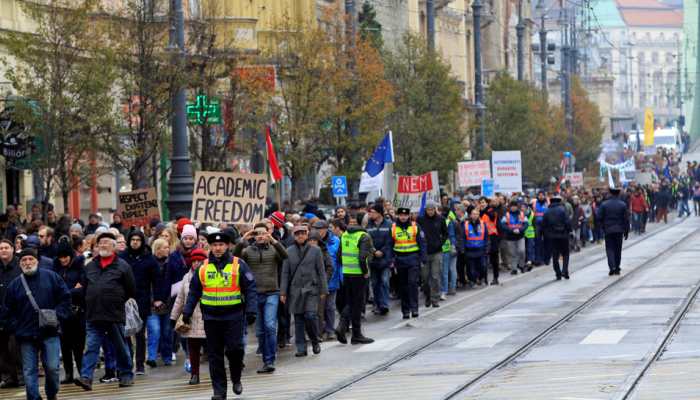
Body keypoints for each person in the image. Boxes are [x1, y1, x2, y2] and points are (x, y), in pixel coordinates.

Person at [183, 232, 257, 398]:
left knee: (235, 350)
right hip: (211, 318)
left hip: (233, 316)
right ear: (210, 246)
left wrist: (252, 310)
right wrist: (187, 312)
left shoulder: (239, 264)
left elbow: (250, 287)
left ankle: (236, 378)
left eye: (221, 245)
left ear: (228, 246)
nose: (218, 248)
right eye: (215, 245)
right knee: (215, 356)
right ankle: (219, 391)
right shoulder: (203, 267)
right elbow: (194, 291)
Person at [3, 248, 71, 400]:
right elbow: (7, 310)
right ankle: (34, 398)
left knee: (53, 369)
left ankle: (51, 394)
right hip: (25, 335)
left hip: (50, 331)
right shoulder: (15, 285)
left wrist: (58, 316)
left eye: (30, 259)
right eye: (24, 260)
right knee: (29, 371)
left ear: (37, 261)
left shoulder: (52, 277)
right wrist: (15, 327)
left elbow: (65, 298)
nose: (27, 263)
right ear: (20, 263)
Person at [74, 231, 136, 391]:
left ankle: (126, 374)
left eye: (107, 243)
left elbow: (131, 289)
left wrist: (115, 299)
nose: (103, 245)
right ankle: (86, 377)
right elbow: (84, 287)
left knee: (121, 347)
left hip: (114, 314)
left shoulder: (123, 266)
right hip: (93, 314)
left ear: (114, 246)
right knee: (91, 347)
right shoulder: (90, 266)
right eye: (100, 243)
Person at [234, 223, 288, 374]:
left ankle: (270, 360)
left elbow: (285, 255)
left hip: (272, 293)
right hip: (254, 294)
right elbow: (235, 258)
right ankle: (266, 359)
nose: (260, 236)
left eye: (263, 233)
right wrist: (243, 238)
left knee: (270, 326)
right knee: (260, 331)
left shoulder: (273, 250)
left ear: (268, 234)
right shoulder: (248, 251)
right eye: (257, 234)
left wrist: (274, 240)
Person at [281, 225, 328, 355]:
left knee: (310, 315)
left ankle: (314, 340)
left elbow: (321, 271)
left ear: (307, 234)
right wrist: (283, 292)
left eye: (302, 233)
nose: (300, 236)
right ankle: (301, 348)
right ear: (293, 236)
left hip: (311, 289)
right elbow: (285, 273)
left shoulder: (316, 250)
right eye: (297, 234)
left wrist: (324, 290)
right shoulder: (288, 251)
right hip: (295, 290)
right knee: (298, 319)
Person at [118, 229, 160, 375]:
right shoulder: (122, 257)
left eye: (138, 240)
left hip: (142, 299)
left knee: (140, 334)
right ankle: (127, 361)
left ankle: (140, 364)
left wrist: (157, 298)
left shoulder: (148, 258)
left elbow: (156, 279)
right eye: (133, 240)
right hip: (123, 300)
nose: (135, 242)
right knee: (125, 333)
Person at [170, 248, 208, 385]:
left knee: (213, 348)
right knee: (193, 347)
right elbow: (180, 298)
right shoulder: (186, 277)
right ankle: (194, 374)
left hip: (208, 315)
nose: (196, 263)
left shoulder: (210, 274)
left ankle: (217, 372)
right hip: (190, 316)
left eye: (200, 261)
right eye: (194, 261)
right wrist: (173, 317)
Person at [52, 239, 86, 384]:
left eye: (65, 256)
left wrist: (66, 292)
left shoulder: (79, 269)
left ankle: (82, 373)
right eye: (61, 257)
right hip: (62, 312)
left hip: (78, 312)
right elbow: (54, 290)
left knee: (78, 345)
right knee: (65, 345)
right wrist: (72, 291)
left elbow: (83, 290)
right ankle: (68, 374)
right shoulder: (56, 270)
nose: (63, 259)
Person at [335, 219, 374, 345]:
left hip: (347, 273)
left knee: (351, 302)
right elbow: (363, 258)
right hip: (359, 275)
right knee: (357, 304)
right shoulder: (364, 236)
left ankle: (344, 327)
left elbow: (339, 256)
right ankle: (355, 334)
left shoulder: (345, 234)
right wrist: (365, 272)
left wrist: (347, 266)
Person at [389, 207, 427, 319]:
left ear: (408, 215)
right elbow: (389, 245)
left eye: (405, 215)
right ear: (398, 216)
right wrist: (390, 260)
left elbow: (422, 243)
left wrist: (423, 258)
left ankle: (414, 308)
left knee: (412, 283)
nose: (403, 217)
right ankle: (405, 310)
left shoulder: (415, 226)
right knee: (403, 286)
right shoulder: (393, 227)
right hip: (400, 260)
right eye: (401, 215)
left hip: (413, 258)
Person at [416, 200, 448, 308]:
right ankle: (427, 296)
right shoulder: (420, 220)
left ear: (435, 209)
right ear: (426, 210)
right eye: (428, 209)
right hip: (424, 252)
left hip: (437, 252)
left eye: (432, 209)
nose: (430, 211)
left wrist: (440, 243)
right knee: (425, 278)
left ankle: (435, 298)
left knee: (435, 276)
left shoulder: (441, 219)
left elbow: (445, 233)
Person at [146, 238, 172, 368]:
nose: (168, 249)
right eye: (165, 247)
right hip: (152, 305)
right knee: (154, 330)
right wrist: (153, 300)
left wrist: (165, 300)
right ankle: (151, 357)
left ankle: (167, 356)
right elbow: (146, 285)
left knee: (166, 332)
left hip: (167, 304)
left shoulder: (171, 264)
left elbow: (172, 285)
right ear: (158, 249)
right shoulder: (149, 264)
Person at [0, 239, 21, 388]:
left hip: (17, 313)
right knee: (2, 349)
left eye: (6, 247)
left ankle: (20, 376)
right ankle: (8, 377)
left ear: (13, 249)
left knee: (17, 348)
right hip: (1, 313)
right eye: (1, 248)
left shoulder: (20, 265)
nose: (3, 250)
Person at [365, 203, 393, 315]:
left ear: (379, 213)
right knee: (375, 283)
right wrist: (373, 251)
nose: (370, 214)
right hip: (373, 260)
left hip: (385, 259)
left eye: (372, 212)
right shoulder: (368, 225)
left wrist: (383, 251)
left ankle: (384, 304)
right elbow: (366, 241)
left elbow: (390, 241)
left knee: (385, 281)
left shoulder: (389, 224)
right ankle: (377, 304)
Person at [597, 187, 630, 276]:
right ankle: (617, 267)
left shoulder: (604, 204)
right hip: (619, 230)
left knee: (610, 249)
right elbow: (626, 219)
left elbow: (599, 217)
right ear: (618, 194)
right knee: (618, 249)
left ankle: (612, 267)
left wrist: (603, 227)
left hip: (608, 230)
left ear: (610, 194)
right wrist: (626, 231)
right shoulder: (622, 204)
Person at [542, 195, 572, 280]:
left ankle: (558, 273)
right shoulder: (563, 210)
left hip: (552, 236)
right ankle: (564, 270)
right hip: (563, 235)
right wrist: (569, 230)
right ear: (559, 201)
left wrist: (546, 234)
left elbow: (544, 225)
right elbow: (567, 222)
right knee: (565, 253)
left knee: (555, 255)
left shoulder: (547, 212)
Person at [458, 207, 488, 287]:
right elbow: (462, 237)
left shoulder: (482, 224)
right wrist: (462, 249)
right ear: (470, 215)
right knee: (471, 268)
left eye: (476, 214)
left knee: (482, 266)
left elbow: (486, 237)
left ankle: (481, 278)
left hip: (480, 249)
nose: (475, 215)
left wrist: (487, 247)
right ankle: (473, 280)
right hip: (469, 249)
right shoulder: (466, 224)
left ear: (478, 215)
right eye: (473, 214)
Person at [500, 200, 529, 275]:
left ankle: (522, 265)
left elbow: (526, 224)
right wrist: (512, 230)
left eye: (515, 206)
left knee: (521, 251)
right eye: (512, 206)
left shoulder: (522, 214)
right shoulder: (506, 215)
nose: (513, 208)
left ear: (517, 207)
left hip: (520, 236)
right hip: (510, 237)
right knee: (512, 254)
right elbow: (503, 225)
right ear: (510, 207)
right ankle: (514, 269)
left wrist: (520, 230)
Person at [481, 200, 501, 285]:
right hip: (483, 238)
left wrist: (485, 210)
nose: (482, 204)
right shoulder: (479, 212)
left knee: (494, 259)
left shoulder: (492, 210)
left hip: (493, 238)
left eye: (483, 202)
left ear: (487, 203)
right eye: (481, 202)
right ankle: (484, 278)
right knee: (484, 259)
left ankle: (495, 278)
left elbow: (492, 217)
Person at [531, 191, 549, 265]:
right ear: (538, 196)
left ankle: (546, 258)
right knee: (538, 242)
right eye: (539, 195)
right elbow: (533, 213)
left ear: (544, 196)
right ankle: (538, 259)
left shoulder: (547, 203)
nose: (541, 196)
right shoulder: (535, 203)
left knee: (546, 242)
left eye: (542, 195)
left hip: (546, 225)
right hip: (537, 224)